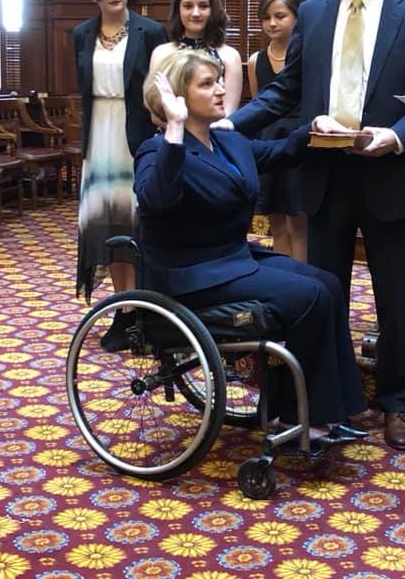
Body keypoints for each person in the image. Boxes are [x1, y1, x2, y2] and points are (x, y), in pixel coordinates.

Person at [219, 0, 405, 451]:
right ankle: (328, 398)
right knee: (322, 292)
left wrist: (396, 135)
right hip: (323, 173)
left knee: (395, 295)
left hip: (390, 171)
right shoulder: (317, 12)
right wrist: (231, 123)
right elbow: (287, 89)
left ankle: (399, 402)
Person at [134, 50, 367, 442]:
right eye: (207, 84)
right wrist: (174, 129)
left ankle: (324, 407)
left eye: (219, 80)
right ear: (178, 96)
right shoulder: (158, 150)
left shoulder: (227, 142)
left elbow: (278, 153)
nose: (221, 89)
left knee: (327, 283)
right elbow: (155, 199)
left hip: (233, 259)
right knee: (309, 295)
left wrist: (312, 128)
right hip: (190, 274)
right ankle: (301, 414)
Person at [73, 0, 167, 349]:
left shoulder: (150, 32)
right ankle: (122, 311)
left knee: (137, 224)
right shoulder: (81, 34)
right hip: (99, 137)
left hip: (136, 137)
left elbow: (163, 88)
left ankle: (146, 313)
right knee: (107, 226)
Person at [247, 0, 308, 261]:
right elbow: (259, 104)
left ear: (297, 17)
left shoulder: (308, 56)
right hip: (269, 145)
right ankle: (285, 277)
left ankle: (304, 280)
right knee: (275, 223)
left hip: (299, 144)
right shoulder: (255, 60)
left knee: (299, 222)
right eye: (266, 17)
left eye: (280, 16)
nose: (272, 23)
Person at [149, 0, 243, 116]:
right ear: (178, 10)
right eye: (188, 6)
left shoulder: (230, 56)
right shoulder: (162, 54)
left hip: (214, 134)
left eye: (203, 6)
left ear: (213, 10)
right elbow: (155, 113)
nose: (195, 13)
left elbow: (228, 114)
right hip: (169, 133)